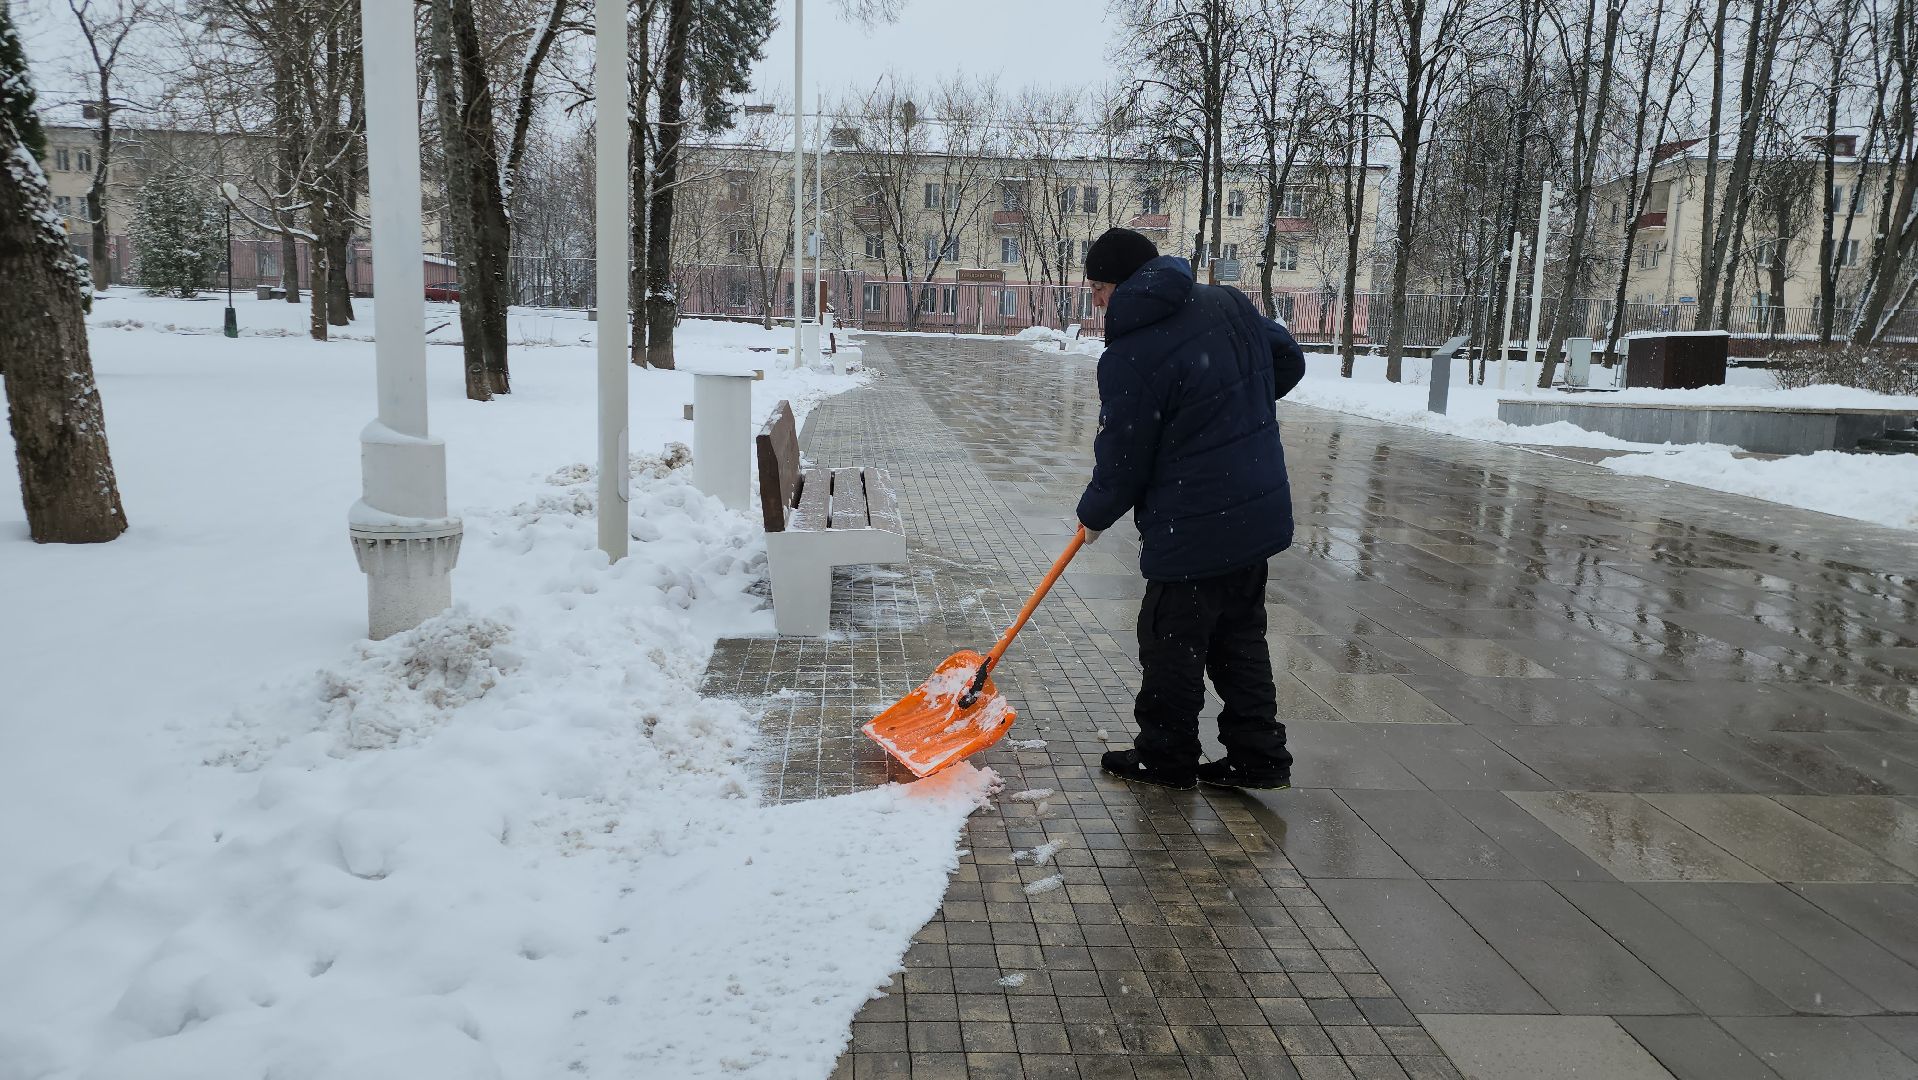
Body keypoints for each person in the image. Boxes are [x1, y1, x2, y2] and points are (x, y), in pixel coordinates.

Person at [1076, 227, 1306, 791]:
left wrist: (1094, 513)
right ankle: (1258, 755)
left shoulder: (1131, 351)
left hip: (1193, 521)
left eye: (1100, 286)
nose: (1098, 300)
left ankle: (1166, 755)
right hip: (1255, 509)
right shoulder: (1226, 301)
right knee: (1239, 635)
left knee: (1170, 641)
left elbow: (1124, 455)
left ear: (1124, 282)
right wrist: (1228, 406)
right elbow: (1288, 362)